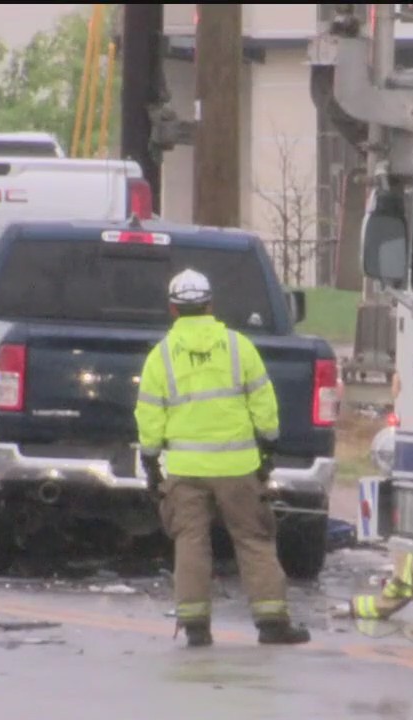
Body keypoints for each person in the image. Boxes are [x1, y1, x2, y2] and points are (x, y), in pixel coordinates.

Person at [134, 268, 312, 648]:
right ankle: (271, 623)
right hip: (238, 468)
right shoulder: (238, 347)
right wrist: (268, 446)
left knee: (191, 542)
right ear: (211, 305)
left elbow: (150, 416)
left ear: (173, 309)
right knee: (254, 540)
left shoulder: (160, 357)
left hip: (185, 470)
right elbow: (263, 403)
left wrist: (151, 463)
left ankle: (196, 627)